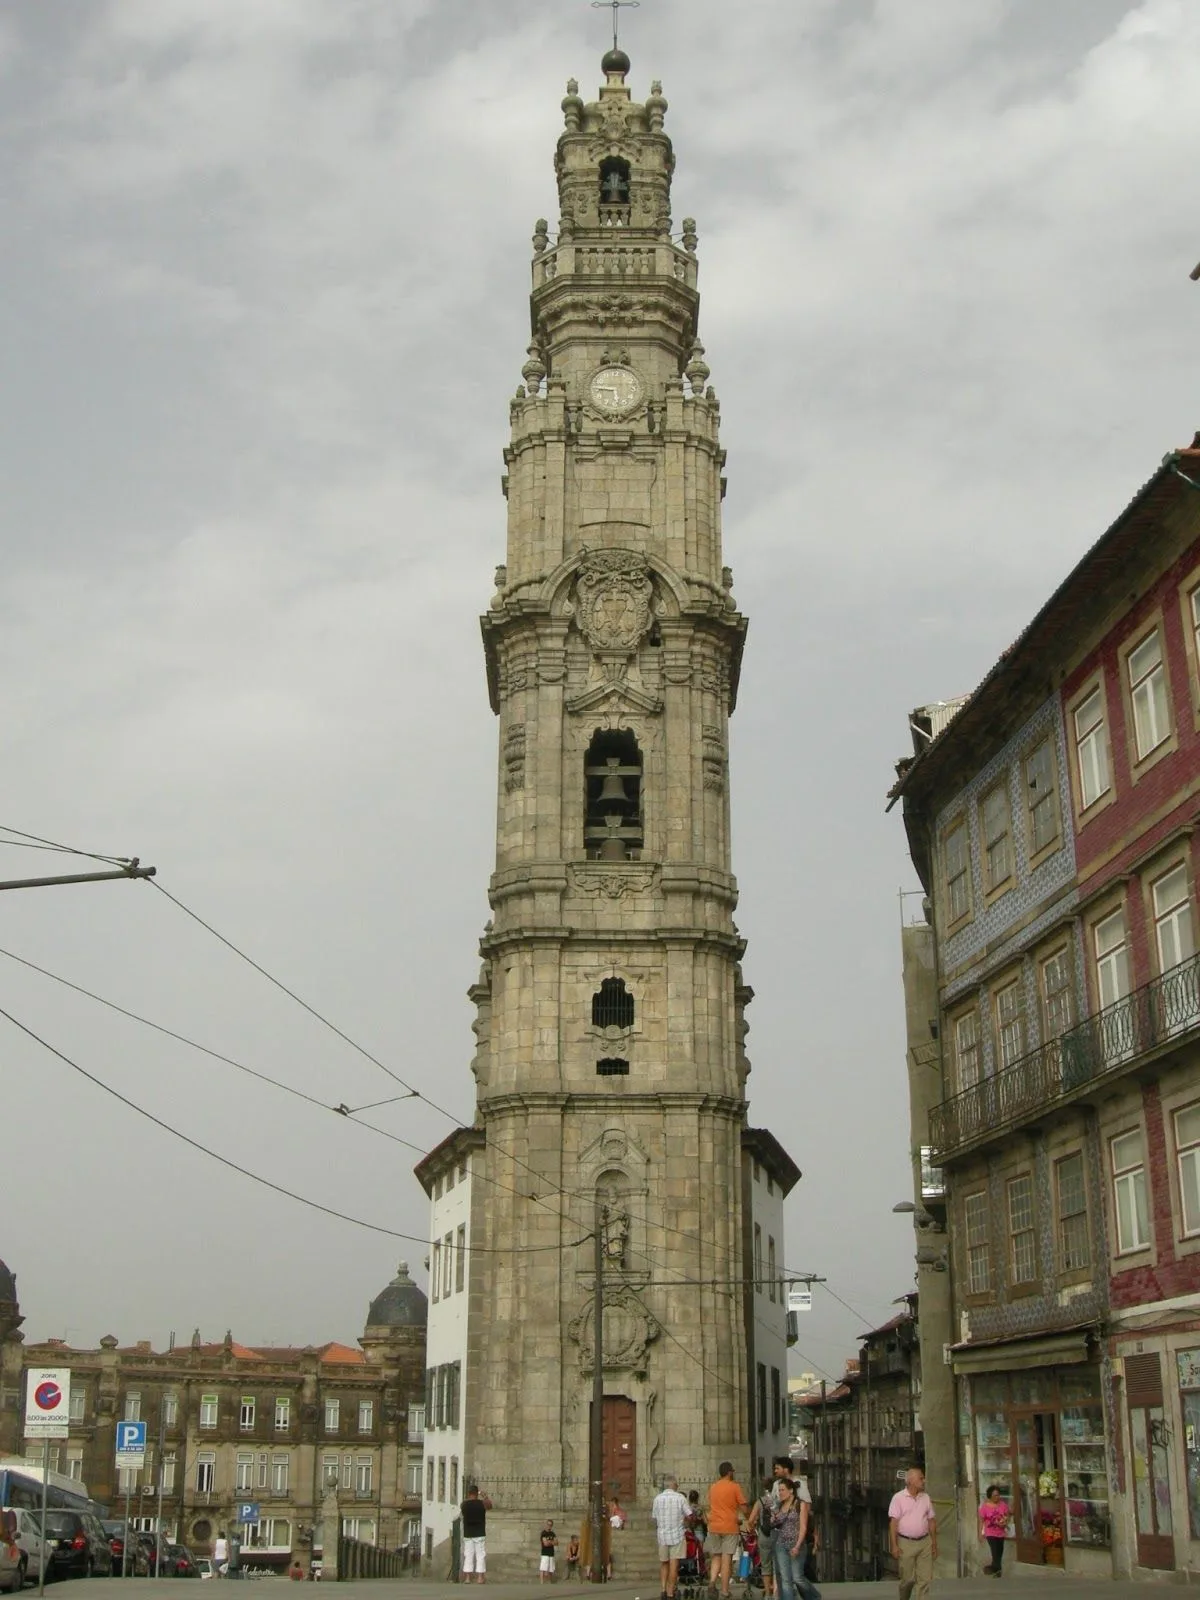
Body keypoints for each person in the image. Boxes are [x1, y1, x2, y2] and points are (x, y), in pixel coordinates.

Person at [888, 1467, 937, 1600]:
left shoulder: (926, 1497)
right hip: (906, 1543)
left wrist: (934, 1544)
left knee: (924, 1579)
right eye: (921, 1478)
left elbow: (931, 1521)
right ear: (911, 1481)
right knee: (908, 1580)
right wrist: (894, 1545)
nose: (924, 1480)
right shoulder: (898, 1498)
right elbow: (893, 1523)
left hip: (924, 1542)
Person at [706, 1461, 748, 1600]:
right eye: (733, 1471)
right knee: (726, 1559)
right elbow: (744, 1507)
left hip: (714, 1526)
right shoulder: (734, 1487)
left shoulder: (713, 1487)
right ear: (729, 1472)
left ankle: (712, 1582)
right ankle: (724, 1591)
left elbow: (712, 1505)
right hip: (729, 1526)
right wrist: (746, 1518)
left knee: (716, 1556)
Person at [651, 1474, 689, 1600]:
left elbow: (655, 1518)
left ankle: (662, 1589)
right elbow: (689, 1514)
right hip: (677, 1535)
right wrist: (685, 1522)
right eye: (677, 1484)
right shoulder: (680, 1498)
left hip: (662, 1536)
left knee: (664, 1563)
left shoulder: (657, 1499)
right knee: (674, 1564)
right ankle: (670, 1592)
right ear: (673, 1485)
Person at [460, 1484, 493, 1584]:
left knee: (468, 1555)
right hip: (479, 1532)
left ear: (469, 1493)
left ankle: (468, 1578)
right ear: (477, 1493)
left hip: (468, 1533)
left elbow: (463, 1508)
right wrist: (485, 1496)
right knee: (480, 1555)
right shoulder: (482, 1503)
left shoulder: (464, 1504)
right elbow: (490, 1506)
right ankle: (480, 1578)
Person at [978, 1486, 1010, 1577]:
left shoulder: (1003, 1505)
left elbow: (1007, 1516)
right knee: (995, 1551)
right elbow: (981, 1521)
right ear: (990, 1496)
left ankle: (995, 1570)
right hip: (990, 1533)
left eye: (998, 1495)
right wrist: (980, 1533)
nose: (997, 1497)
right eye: (995, 1495)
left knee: (999, 1553)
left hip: (1001, 1533)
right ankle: (995, 1570)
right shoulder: (984, 1507)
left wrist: (1005, 1522)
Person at [539, 1519, 557, 1583]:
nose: (549, 1526)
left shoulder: (553, 1533)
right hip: (545, 1553)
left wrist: (550, 1542)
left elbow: (556, 1543)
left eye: (551, 1525)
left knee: (551, 1569)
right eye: (548, 1524)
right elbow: (545, 1544)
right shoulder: (543, 1533)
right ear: (546, 1525)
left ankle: (550, 1581)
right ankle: (542, 1582)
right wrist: (552, 1542)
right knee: (543, 1568)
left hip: (551, 1553)